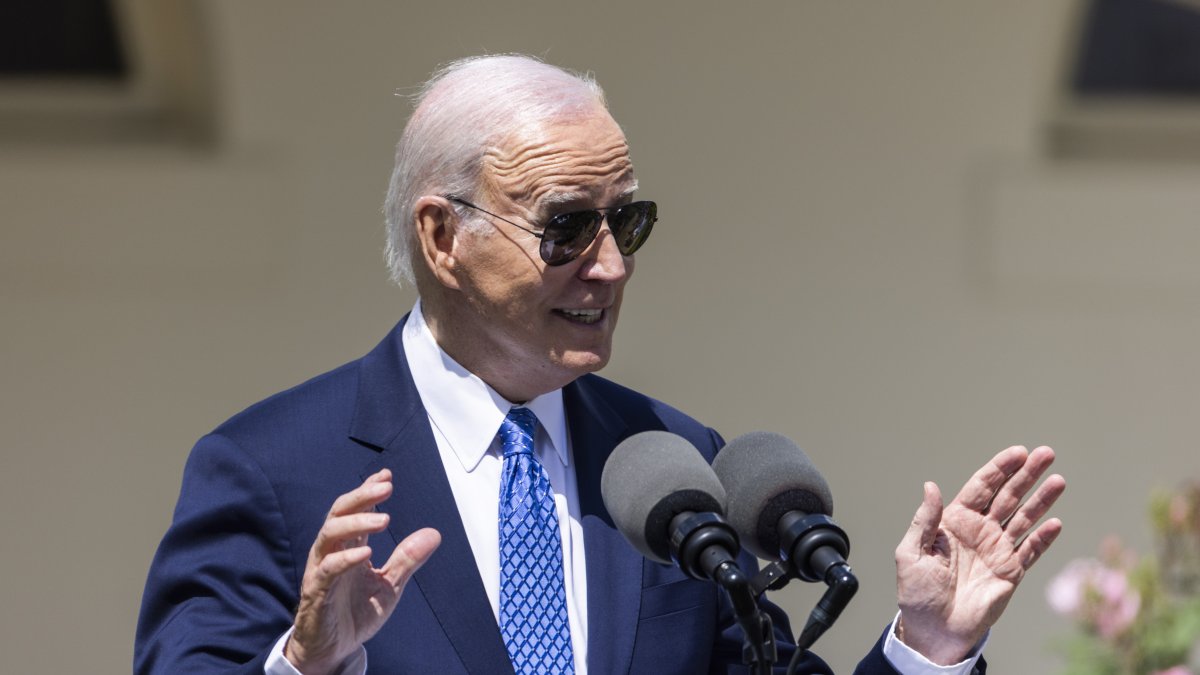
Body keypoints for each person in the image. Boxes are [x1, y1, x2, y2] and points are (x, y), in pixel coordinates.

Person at [135, 55, 1066, 674]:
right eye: (567, 226)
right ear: (442, 235)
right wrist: (306, 662)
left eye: (628, 222)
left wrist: (929, 644)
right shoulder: (269, 469)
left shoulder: (668, 464)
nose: (612, 264)